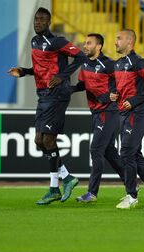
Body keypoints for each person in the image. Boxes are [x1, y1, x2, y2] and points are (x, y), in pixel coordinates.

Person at [8, 8, 87, 205]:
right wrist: (24, 71)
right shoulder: (35, 42)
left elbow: (81, 56)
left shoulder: (57, 42)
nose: (38, 22)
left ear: (49, 22)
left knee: (48, 140)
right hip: (43, 95)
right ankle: (67, 177)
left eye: (42, 20)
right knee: (39, 141)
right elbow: (42, 69)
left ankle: (54, 188)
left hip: (57, 94)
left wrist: (62, 76)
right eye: (36, 19)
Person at [110, 29, 144, 210]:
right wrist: (115, 94)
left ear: (130, 41)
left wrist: (132, 101)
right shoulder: (118, 64)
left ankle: (131, 195)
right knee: (133, 153)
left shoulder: (138, 62)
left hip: (137, 113)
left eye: (119, 38)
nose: (115, 41)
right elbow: (123, 88)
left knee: (125, 152)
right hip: (123, 113)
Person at [71, 33, 125, 203]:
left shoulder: (109, 65)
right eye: (85, 43)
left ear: (99, 46)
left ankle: (92, 193)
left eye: (89, 43)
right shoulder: (85, 63)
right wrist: (68, 89)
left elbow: (121, 84)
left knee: (96, 149)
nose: (85, 46)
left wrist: (112, 95)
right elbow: (83, 84)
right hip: (95, 112)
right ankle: (131, 182)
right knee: (109, 151)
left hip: (108, 112)